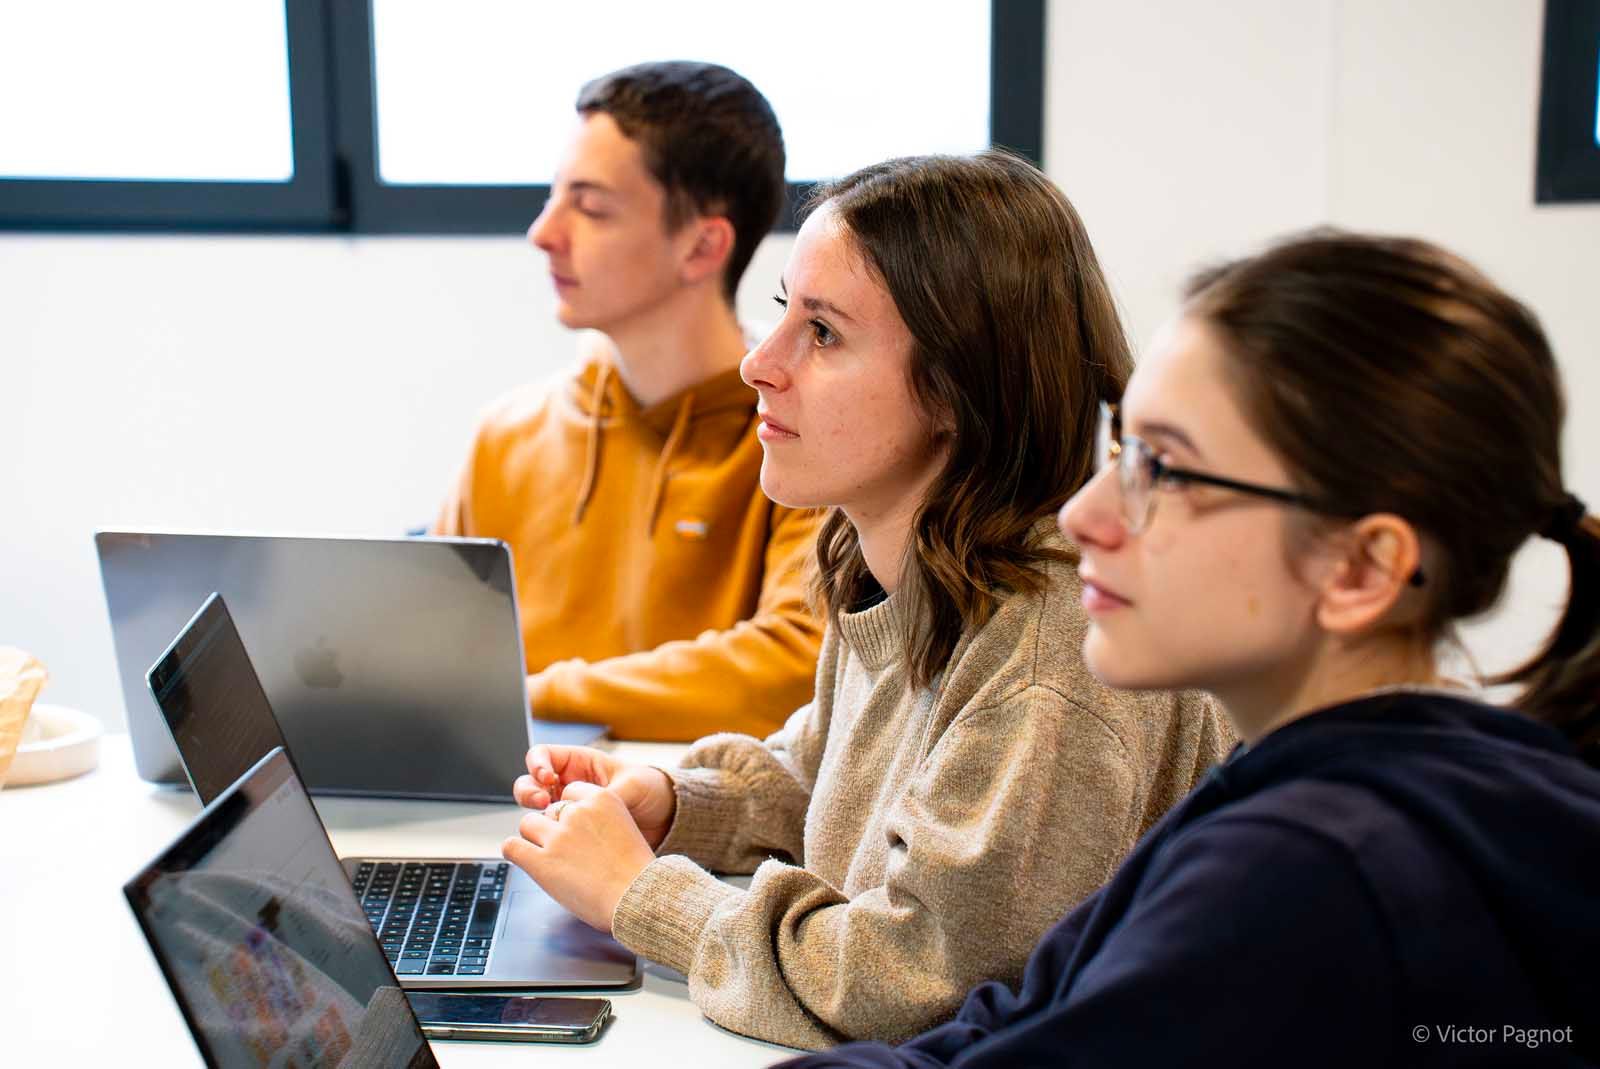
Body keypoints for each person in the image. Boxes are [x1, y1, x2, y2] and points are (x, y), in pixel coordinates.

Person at [776, 230, 1600, 1067]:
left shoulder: (1306, 875)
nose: (1085, 515)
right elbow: (1021, 1022)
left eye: (1164, 470)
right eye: (1121, 449)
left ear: (1361, 568)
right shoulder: (1314, 789)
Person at [498, 151, 1233, 1050]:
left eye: (823, 333)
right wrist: (675, 803)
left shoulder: (1049, 663)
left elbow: (913, 984)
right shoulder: (907, 560)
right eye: (783, 313)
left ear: (959, 389)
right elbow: (832, 775)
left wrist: (640, 894)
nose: (758, 364)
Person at [433, 61, 823, 741]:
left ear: (703, 245)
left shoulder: (802, 436)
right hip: (515, 796)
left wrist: (532, 693)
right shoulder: (505, 435)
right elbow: (429, 664)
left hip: (688, 804)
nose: (543, 232)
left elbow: (795, 670)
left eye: (591, 208)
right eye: (554, 196)